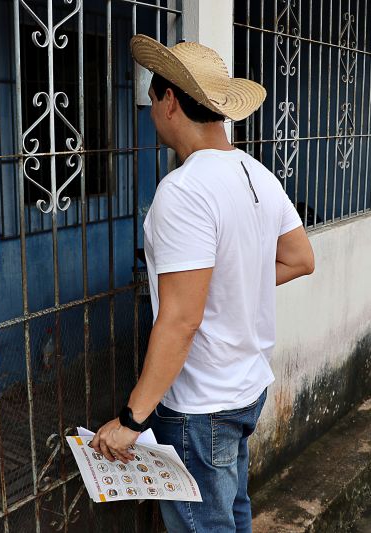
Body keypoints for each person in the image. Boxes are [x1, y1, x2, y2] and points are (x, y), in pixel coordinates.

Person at [91, 35, 315, 532]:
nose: (151, 113)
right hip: (247, 387)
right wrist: (237, 283)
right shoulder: (258, 175)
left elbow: (180, 320)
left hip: (201, 406)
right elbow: (301, 259)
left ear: (170, 100)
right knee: (233, 512)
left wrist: (132, 420)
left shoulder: (184, 191)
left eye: (152, 101)